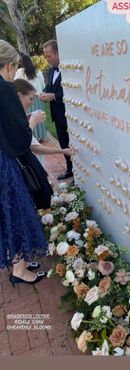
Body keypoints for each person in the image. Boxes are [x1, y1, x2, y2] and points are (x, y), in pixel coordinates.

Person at [0, 40, 47, 285]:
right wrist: (32, 122)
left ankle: (20, 261)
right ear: (9, 66)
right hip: (5, 163)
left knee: (7, 213)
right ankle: (19, 269)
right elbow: (20, 137)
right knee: (14, 212)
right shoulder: (6, 88)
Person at [13, 78, 77, 159]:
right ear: (19, 95)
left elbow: (35, 147)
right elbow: (25, 140)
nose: (32, 103)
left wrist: (63, 151)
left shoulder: (15, 113)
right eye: (31, 99)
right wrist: (34, 119)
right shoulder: (11, 116)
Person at [40, 39, 73, 180]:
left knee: (74, 143)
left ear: (58, 53)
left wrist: (54, 96)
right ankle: (70, 170)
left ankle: (80, 171)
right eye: (45, 57)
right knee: (64, 143)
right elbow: (49, 88)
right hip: (57, 116)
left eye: (49, 56)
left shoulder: (69, 69)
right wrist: (44, 93)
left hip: (70, 115)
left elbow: (73, 92)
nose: (47, 60)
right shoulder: (51, 71)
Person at [15, 54, 47, 142]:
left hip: (26, 97)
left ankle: (32, 136)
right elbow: (43, 85)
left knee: (30, 116)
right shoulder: (38, 72)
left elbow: (17, 83)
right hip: (38, 97)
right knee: (38, 115)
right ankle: (41, 136)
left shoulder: (19, 72)